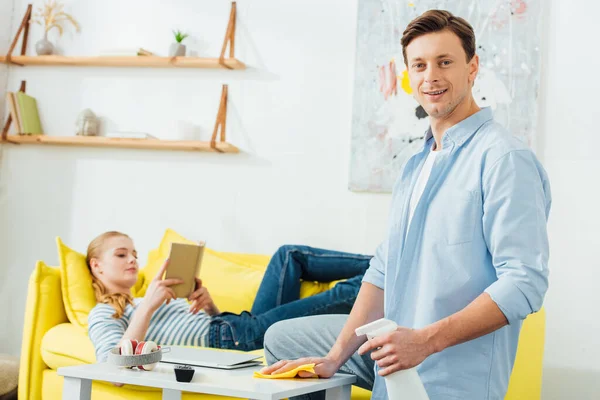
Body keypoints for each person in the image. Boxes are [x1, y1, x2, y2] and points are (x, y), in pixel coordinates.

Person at [260, 9, 551, 400]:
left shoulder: (503, 158)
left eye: (444, 62)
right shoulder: (417, 165)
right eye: (419, 65)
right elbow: (384, 268)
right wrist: (333, 359)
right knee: (281, 338)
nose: (431, 75)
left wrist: (426, 341)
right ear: (408, 76)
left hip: (450, 373)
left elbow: (524, 281)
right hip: (395, 355)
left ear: (472, 67)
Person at [86, 231, 371, 362]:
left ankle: (380, 262)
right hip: (235, 337)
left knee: (288, 256)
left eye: (134, 254)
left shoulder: (146, 297)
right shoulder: (105, 312)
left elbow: (206, 327)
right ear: (96, 266)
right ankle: (387, 271)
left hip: (233, 326)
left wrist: (210, 308)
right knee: (352, 290)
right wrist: (146, 306)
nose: (132, 260)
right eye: (121, 254)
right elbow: (110, 365)